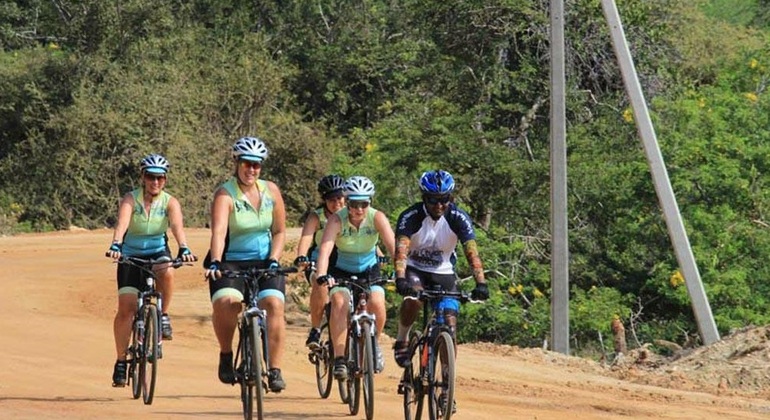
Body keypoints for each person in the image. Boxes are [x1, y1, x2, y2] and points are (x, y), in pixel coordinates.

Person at [204, 136, 288, 392]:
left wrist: (274, 258)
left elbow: (280, 231)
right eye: (246, 163)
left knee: (273, 304)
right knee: (226, 304)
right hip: (230, 261)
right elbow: (218, 232)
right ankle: (226, 354)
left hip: (265, 261)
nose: (251, 169)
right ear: (236, 162)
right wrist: (216, 261)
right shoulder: (225, 194)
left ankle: (274, 369)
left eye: (256, 165)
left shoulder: (271, 191)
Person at [106, 154, 196, 387]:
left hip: (157, 251)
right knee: (125, 310)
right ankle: (120, 361)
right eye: (150, 177)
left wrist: (184, 247)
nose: (155, 182)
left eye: (159, 178)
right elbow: (122, 223)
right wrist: (116, 244)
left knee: (166, 269)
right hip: (130, 254)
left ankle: (163, 315)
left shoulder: (170, 202)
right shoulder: (131, 199)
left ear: (165, 180)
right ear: (142, 177)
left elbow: (177, 226)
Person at [392, 170, 490, 370]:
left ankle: (446, 383)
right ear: (424, 198)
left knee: (450, 322)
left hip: (443, 271)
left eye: (444, 200)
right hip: (414, 269)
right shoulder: (411, 216)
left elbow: (471, 252)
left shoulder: (457, 217)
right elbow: (401, 250)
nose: (439, 205)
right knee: (413, 300)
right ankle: (402, 338)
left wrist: (481, 282)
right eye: (433, 200)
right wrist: (400, 279)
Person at [315, 176, 396, 379]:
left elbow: (394, 248)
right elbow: (325, 251)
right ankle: (340, 359)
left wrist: (401, 271)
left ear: (370, 202)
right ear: (347, 201)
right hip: (341, 269)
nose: (359, 209)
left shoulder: (377, 218)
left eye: (364, 204)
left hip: (369, 269)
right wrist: (322, 275)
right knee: (340, 302)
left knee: (377, 301)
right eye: (354, 204)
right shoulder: (336, 220)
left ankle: (374, 345)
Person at [294, 174, 346, 349]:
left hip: (343, 263)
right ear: (324, 200)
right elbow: (306, 239)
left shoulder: (352, 213)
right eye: (331, 199)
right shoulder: (317, 217)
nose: (337, 203)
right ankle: (315, 329)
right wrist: (302, 257)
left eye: (339, 197)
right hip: (318, 261)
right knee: (319, 282)